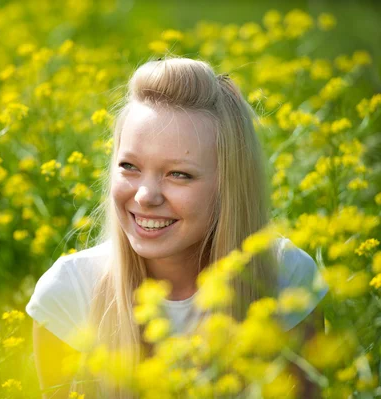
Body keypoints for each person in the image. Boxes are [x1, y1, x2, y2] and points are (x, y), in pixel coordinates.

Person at [26, 57, 329, 399]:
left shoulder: (287, 278)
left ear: (230, 186)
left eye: (179, 174)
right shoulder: (68, 293)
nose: (145, 195)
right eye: (129, 166)